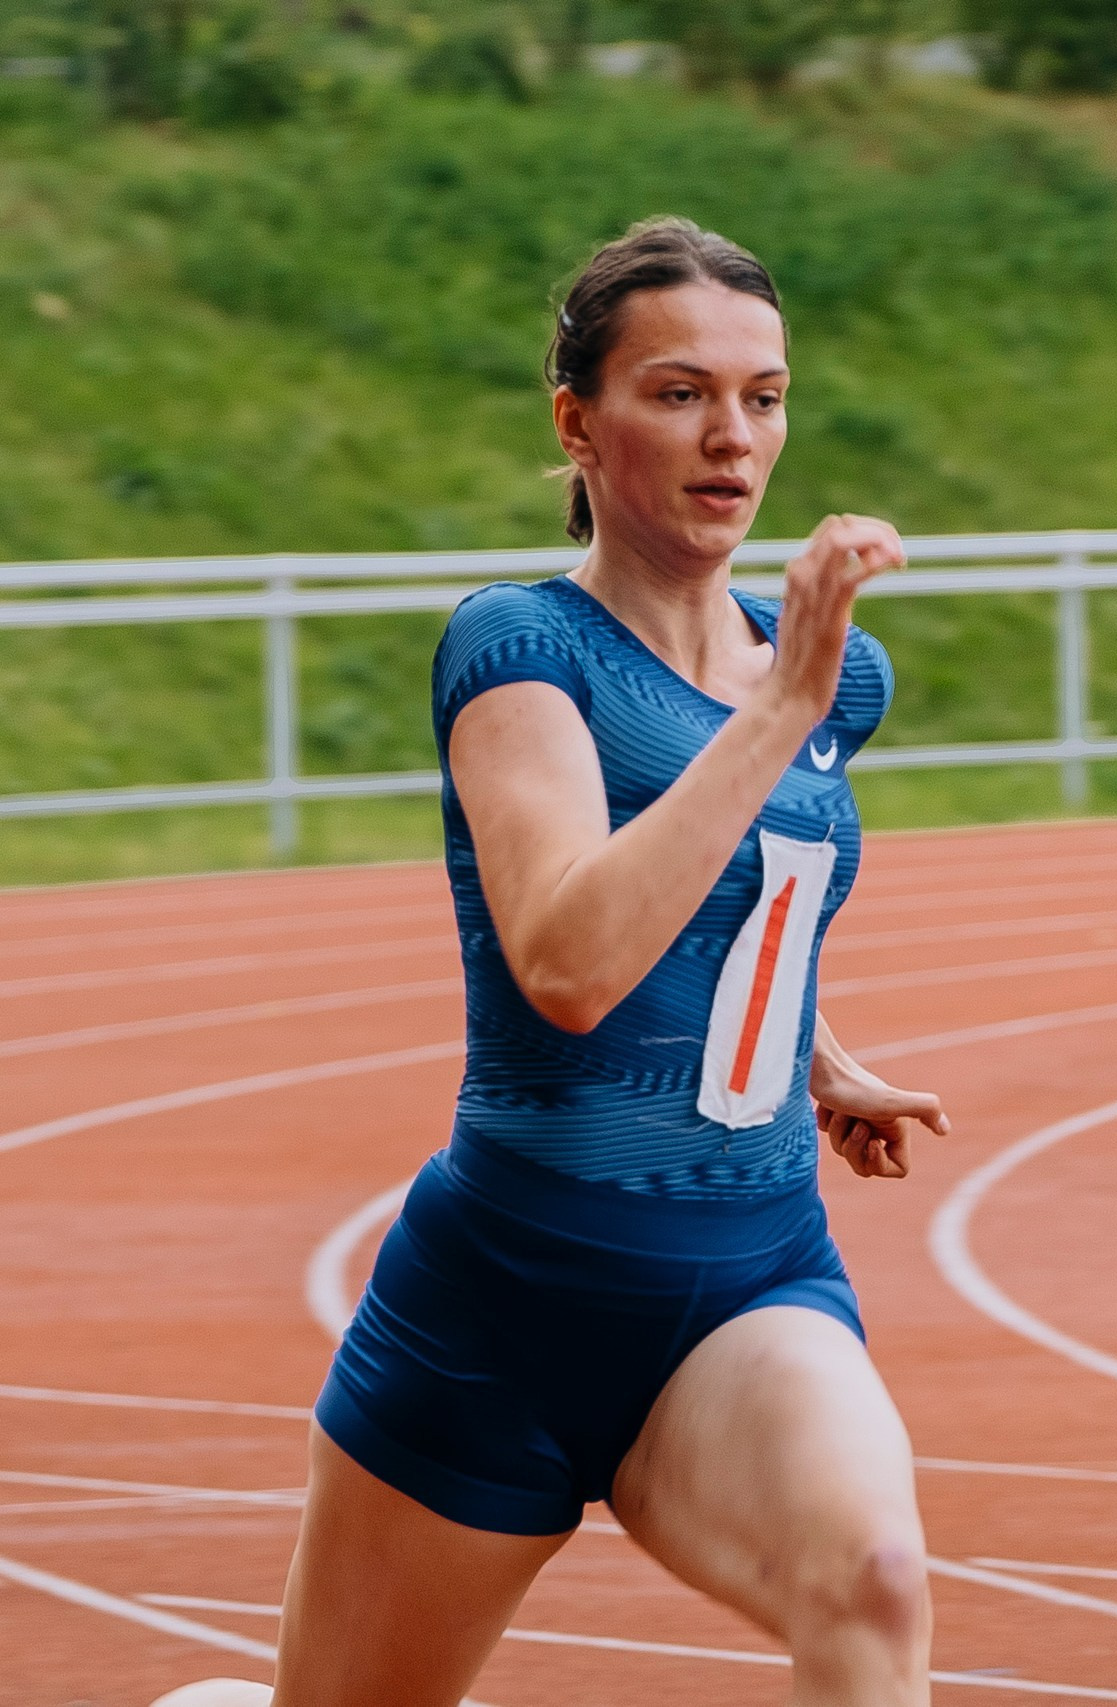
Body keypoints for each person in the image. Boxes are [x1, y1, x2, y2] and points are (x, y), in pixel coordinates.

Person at [159, 217, 948, 1707]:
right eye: (681, 393)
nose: (735, 437)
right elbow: (571, 960)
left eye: (765, 396)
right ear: (578, 422)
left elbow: (756, 890)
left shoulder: (834, 670)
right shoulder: (523, 651)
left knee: (877, 1577)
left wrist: (812, 1052)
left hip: (749, 1273)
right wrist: (778, 705)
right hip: (502, 1309)